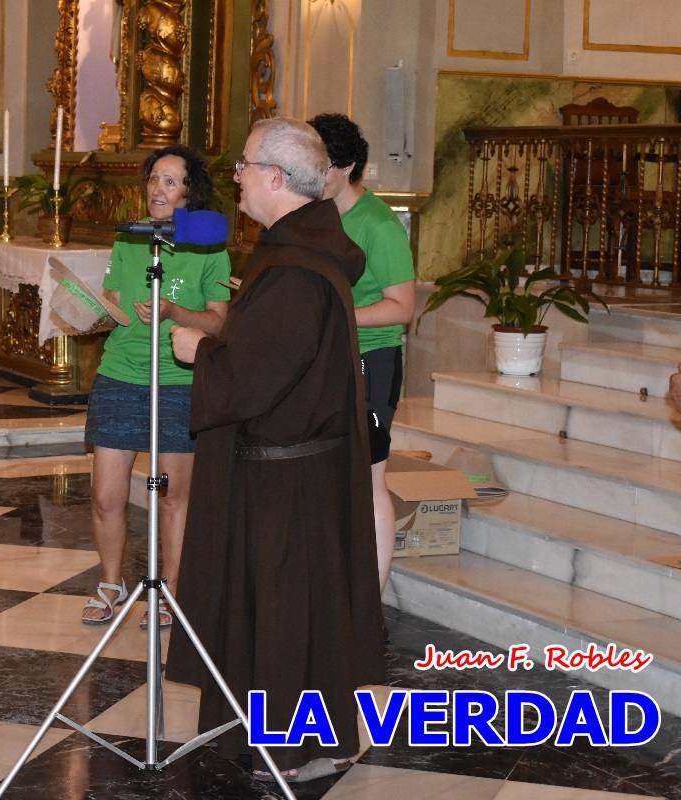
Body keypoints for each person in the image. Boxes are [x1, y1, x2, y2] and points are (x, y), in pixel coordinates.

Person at [167, 117, 386, 782]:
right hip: (299, 469)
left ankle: (288, 746)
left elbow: (255, 379)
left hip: (283, 479)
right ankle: (304, 736)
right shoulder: (303, 248)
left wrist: (198, 350)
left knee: (284, 615)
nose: (233, 176)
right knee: (301, 614)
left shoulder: (294, 267)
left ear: (274, 177)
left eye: (242, 164)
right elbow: (281, 354)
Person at [81, 146, 231, 628]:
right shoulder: (130, 239)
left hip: (178, 381)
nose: (157, 189)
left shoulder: (209, 245)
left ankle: (169, 590)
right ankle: (110, 581)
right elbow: (113, 301)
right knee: (106, 494)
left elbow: (218, 323)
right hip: (120, 373)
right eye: (153, 179)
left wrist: (171, 312)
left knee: (173, 497)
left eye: (170, 181)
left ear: (191, 191)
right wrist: (89, 311)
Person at [310, 113, 416, 593]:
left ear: (346, 166)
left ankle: (369, 597)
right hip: (323, 362)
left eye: (320, 163)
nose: (311, 173)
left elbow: (402, 308)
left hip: (372, 361)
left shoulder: (377, 224)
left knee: (369, 478)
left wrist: (339, 312)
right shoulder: (313, 216)